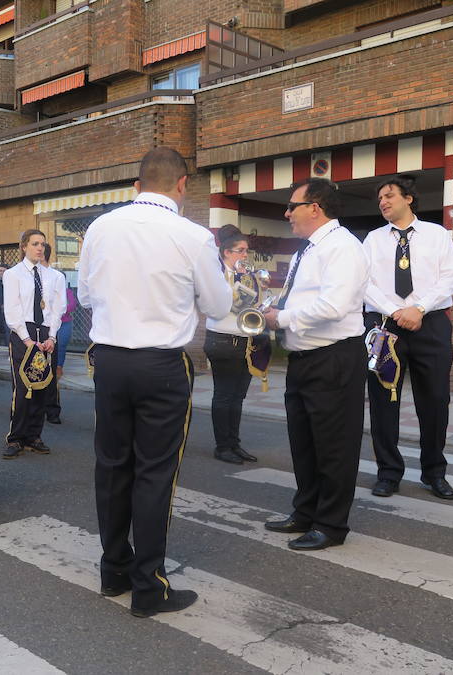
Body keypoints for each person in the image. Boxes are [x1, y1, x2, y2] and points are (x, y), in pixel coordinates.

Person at [78, 147, 231, 618]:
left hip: (109, 361)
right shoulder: (192, 235)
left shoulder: (101, 227)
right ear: (182, 185)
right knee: (154, 474)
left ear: (137, 184)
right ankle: (149, 587)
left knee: (112, 466)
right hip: (162, 364)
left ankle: (113, 570)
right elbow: (220, 306)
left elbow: (84, 294)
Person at [262, 178, 368, 551]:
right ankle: (305, 512)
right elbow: (302, 296)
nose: (287, 213)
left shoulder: (342, 248)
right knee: (304, 443)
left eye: (293, 206)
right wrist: (271, 309)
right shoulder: (306, 250)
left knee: (334, 446)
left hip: (334, 356)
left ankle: (331, 524)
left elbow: (333, 306)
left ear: (316, 207)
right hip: (304, 357)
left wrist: (283, 318)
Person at [363, 176, 453, 501]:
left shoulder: (437, 235)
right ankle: (388, 473)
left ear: (409, 199)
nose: (383, 202)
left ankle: (435, 473)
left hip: (430, 324)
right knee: (383, 401)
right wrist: (395, 310)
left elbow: (449, 278)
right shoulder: (373, 240)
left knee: (434, 401)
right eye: (380, 199)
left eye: (389, 196)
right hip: (385, 327)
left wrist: (418, 308)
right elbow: (364, 283)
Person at [205, 225, 268, 465]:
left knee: (238, 396)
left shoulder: (246, 275)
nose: (245, 255)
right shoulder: (215, 273)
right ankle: (222, 446)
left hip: (246, 339)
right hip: (221, 339)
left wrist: (259, 290)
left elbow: (255, 305)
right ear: (226, 252)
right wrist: (236, 285)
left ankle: (234, 443)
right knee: (224, 395)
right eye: (240, 250)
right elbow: (214, 304)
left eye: (246, 251)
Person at [2, 229, 66, 459]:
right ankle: (15, 437)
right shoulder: (13, 274)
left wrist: (52, 337)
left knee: (42, 387)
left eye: (42, 244)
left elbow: (57, 309)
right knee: (22, 387)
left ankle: (33, 436)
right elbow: (12, 309)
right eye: (35, 244)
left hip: (45, 333)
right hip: (24, 333)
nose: (40, 248)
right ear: (24, 247)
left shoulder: (52, 276)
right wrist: (27, 339)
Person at [41, 244, 68, 424]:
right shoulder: (22, 275)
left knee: (50, 372)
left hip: (49, 328)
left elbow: (60, 307)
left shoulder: (55, 276)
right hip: (30, 329)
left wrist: (52, 334)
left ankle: (52, 410)